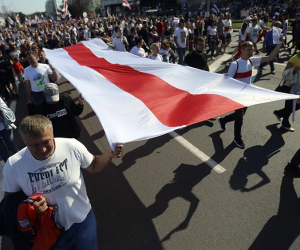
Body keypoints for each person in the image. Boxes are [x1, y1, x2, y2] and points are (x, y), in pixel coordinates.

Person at [2, 115, 123, 249]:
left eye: (46, 142)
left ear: (53, 134)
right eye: (35, 145)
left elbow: (94, 165)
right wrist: (31, 208)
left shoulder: (71, 146)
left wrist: (109, 154)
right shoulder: (13, 165)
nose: (42, 149)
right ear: (23, 140)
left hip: (82, 220)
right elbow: (10, 202)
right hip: (48, 229)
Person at [218, 40, 283, 148]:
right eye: (248, 50)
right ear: (242, 51)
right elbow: (228, 83)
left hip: (247, 95)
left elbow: (270, 57)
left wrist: (279, 45)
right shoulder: (235, 65)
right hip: (237, 95)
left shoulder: (252, 61)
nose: (251, 51)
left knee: (242, 114)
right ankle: (237, 138)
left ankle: (223, 120)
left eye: (252, 49)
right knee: (240, 118)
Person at [273, 53, 300, 132]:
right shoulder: (294, 59)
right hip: (291, 86)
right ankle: (285, 123)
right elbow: (285, 73)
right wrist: (294, 71)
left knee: (294, 105)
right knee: (290, 105)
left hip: (298, 86)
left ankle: (280, 113)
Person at [0, 97, 18, 162]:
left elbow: (5, 108)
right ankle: (9, 166)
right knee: (2, 151)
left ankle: (19, 160)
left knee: (12, 146)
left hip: (4, 126)